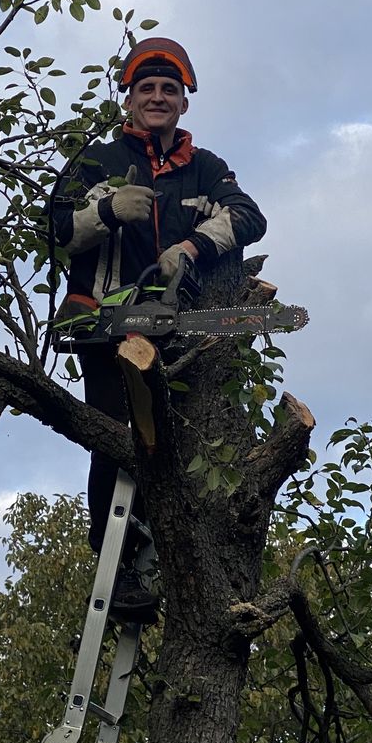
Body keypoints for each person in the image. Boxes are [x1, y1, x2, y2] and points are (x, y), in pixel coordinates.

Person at [53, 37, 266, 615]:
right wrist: (105, 211)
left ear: (184, 102)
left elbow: (250, 217)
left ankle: (160, 562)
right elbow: (57, 230)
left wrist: (194, 245)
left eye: (168, 89)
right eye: (146, 88)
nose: (157, 97)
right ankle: (115, 568)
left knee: (176, 447)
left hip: (174, 325)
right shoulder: (97, 160)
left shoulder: (205, 168)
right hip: (101, 320)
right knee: (117, 440)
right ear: (129, 98)